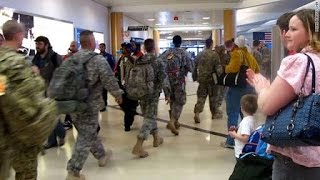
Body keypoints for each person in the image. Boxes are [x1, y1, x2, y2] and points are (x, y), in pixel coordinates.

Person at [246, 9, 320, 179]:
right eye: (287, 29)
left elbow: (266, 106)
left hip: (297, 155)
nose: (287, 34)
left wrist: (262, 87)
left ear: (311, 32)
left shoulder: (299, 61)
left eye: (294, 29)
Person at [0, 20, 57, 180]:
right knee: (26, 174)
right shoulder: (16, 64)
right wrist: (36, 77)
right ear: (19, 35)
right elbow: (31, 100)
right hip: (19, 134)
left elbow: (1, 92)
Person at [66, 30, 123, 180]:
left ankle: (102, 155)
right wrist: (118, 95)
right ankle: (73, 171)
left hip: (72, 105)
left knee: (87, 131)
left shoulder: (71, 59)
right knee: (85, 136)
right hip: (89, 106)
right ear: (92, 43)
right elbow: (109, 80)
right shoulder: (98, 60)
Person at [131, 39, 171, 158]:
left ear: (144, 48)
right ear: (154, 48)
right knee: (149, 117)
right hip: (153, 93)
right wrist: (167, 93)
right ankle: (138, 145)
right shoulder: (158, 61)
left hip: (141, 92)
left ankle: (156, 138)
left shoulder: (139, 60)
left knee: (149, 115)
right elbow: (164, 79)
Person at [221, 35, 260, 149]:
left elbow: (232, 68)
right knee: (246, 114)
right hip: (249, 87)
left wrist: (225, 68)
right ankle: (247, 138)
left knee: (232, 113)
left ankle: (231, 141)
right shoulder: (250, 55)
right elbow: (257, 69)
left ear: (236, 45)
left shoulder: (237, 53)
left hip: (237, 87)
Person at [32, 36, 66, 149]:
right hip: (40, 92)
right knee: (47, 116)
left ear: (46, 45)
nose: (37, 46)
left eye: (40, 44)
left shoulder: (55, 57)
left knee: (53, 115)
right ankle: (52, 140)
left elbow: (62, 74)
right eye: (36, 44)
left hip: (54, 92)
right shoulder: (35, 58)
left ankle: (61, 134)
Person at [158, 35, 193, 135]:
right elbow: (190, 67)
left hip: (166, 81)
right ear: (181, 42)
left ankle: (175, 122)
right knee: (180, 101)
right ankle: (172, 121)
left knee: (172, 99)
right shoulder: (184, 53)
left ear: (173, 42)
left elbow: (159, 63)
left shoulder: (166, 52)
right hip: (178, 81)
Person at [193, 39, 224, 123]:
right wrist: (221, 78)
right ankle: (214, 114)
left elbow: (194, 67)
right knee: (213, 98)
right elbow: (218, 68)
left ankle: (197, 113)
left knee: (201, 97)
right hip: (212, 80)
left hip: (202, 80)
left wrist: (195, 76)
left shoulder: (199, 54)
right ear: (211, 44)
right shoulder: (214, 55)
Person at [114, 43, 139, 131]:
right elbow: (116, 69)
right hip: (122, 86)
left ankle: (127, 124)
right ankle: (131, 113)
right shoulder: (121, 58)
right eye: (122, 49)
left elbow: (135, 63)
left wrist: (128, 56)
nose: (122, 50)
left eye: (124, 49)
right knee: (124, 105)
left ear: (129, 50)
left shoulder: (134, 57)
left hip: (132, 87)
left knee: (131, 105)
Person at [228, 94, 257, 159]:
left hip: (241, 152)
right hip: (248, 152)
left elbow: (245, 138)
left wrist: (234, 134)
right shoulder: (252, 119)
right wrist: (237, 130)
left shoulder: (246, 122)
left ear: (242, 108)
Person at [99, 43, 115, 111]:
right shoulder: (97, 56)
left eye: (102, 47)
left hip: (106, 76)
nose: (101, 48)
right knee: (99, 91)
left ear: (105, 48)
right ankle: (100, 104)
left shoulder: (109, 56)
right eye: (100, 47)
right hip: (98, 76)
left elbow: (113, 65)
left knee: (104, 92)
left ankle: (104, 105)